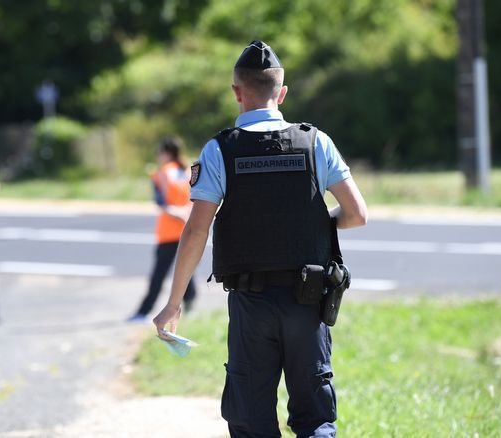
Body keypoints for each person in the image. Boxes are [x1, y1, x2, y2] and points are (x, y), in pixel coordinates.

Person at [153, 41, 368, 437]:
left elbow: (196, 230)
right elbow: (356, 214)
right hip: (309, 300)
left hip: (251, 305)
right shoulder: (315, 142)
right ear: (282, 93)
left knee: (251, 420)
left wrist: (173, 303)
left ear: (237, 91)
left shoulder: (220, 150)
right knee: (316, 418)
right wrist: (315, 225)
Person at [128, 137, 197, 322]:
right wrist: (186, 213)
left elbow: (160, 202)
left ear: (165, 153)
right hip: (187, 228)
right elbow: (199, 196)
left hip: (168, 230)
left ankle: (144, 311)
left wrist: (176, 212)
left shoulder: (162, 173)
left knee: (159, 274)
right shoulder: (190, 169)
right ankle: (190, 305)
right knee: (185, 268)